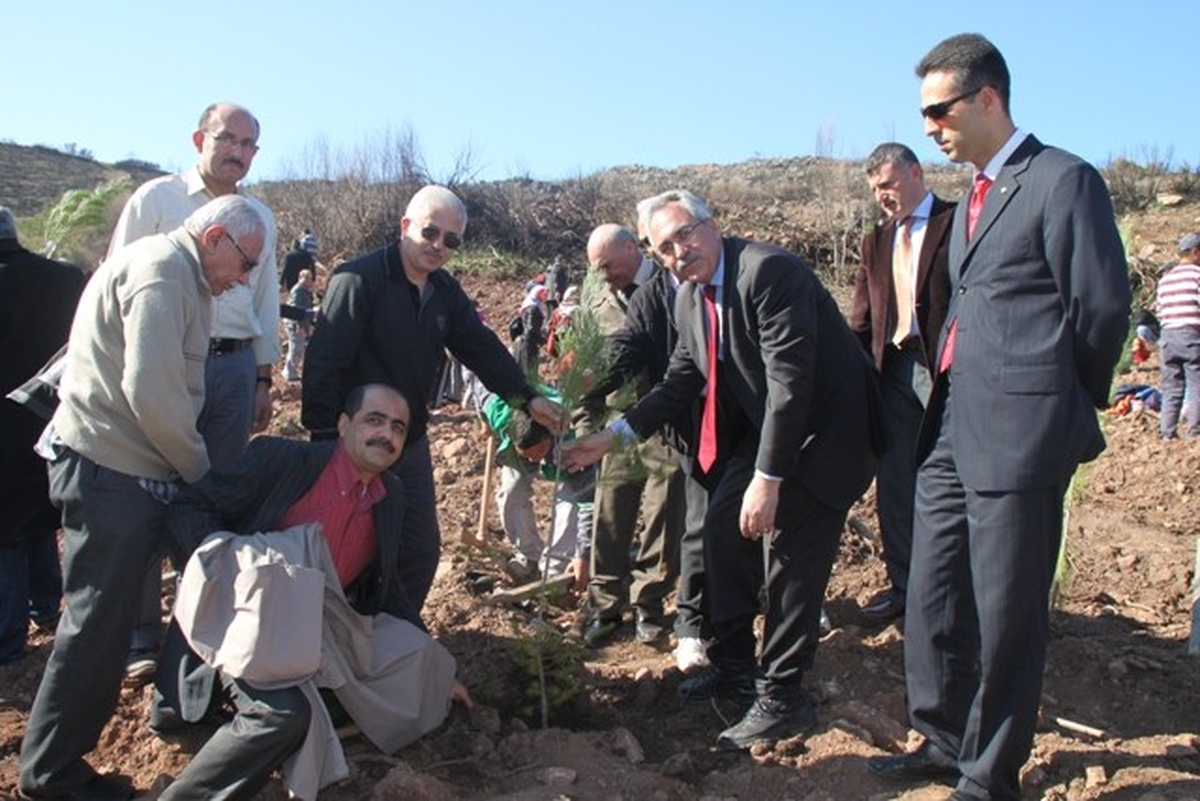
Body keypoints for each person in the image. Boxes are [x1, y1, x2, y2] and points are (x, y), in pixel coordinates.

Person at [867, 34, 1130, 800]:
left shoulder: (1062, 181)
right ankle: (943, 737)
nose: (928, 128)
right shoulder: (973, 200)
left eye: (938, 110)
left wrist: (1064, 407)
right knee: (932, 589)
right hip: (949, 427)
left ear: (987, 98)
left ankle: (990, 772)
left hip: (1021, 431)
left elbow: (1102, 308)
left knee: (1009, 610)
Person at [564, 190, 880, 751]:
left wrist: (770, 478)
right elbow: (681, 380)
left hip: (826, 434)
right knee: (719, 533)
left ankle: (783, 696)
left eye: (686, 234)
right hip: (773, 432)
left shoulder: (768, 271)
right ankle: (736, 666)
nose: (680, 251)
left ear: (712, 225)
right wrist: (611, 437)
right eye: (665, 247)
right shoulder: (689, 298)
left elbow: (790, 383)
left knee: (786, 554)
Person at [17, 196, 266, 801]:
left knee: (106, 619)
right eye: (247, 263)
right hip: (113, 473)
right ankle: (51, 774)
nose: (248, 278)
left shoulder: (181, 275)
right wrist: (203, 473)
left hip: (128, 472)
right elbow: (152, 393)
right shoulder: (162, 272)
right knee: (95, 627)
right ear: (214, 238)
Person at [153, 383, 469, 800]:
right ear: (343, 425)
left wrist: (435, 671)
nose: (386, 434)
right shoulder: (282, 461)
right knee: (285, 716)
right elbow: (189, 506)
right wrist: (233, 567)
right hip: (247, 624)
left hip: (314, 634)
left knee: (404, 679)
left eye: (397, 427)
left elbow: (387, 589)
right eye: (374, 420)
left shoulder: (389, 497)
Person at [302, 184, 564, 612]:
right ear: (405, 226)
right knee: (347, 547)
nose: (439, 246)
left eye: (452, 240)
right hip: (353, 445)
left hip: (411, 439)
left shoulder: (443, 291)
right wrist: (323, 447)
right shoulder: (359, 278)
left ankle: (397, 633)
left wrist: (526, 397)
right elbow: (324, 362)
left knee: (419, 550)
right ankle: (336, 641)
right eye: (430, 233)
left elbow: (480, 347)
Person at [108, 102, 279, 680]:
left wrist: (261, 376)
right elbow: (116, 279)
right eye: (227, 138)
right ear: (199, 138)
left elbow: (264, 300)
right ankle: (138, 637)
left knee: (216, 495)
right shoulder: (156, 201)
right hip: (162, 366)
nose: (236, 150)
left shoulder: (260, 217)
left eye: (248, 144)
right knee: (148, 491)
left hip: (230, 369)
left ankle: (200, 633)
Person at [848, 143, 954, 623]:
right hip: (891, 370)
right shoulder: (876, 240)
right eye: (875, 190)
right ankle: (905, 587)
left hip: (944, 370)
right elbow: (863, 314)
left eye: (888, 184)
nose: (882, 197)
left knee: (955, 473)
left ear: (916, 171)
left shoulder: (958, 223)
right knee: (895, 480)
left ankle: (954, 591)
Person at [579, 224, 685, 648]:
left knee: (664, 515)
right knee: (611, 512)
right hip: (618, 425)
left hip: (666, 421)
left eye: (608, 264)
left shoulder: (672, 286)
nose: (604, 275)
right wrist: (587, 429)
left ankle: (651, 607)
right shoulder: (596, 299)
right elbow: (589, 373)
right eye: (596, 269)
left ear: (631, 248)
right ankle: (605, 608)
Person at [0, 207, 85, 665]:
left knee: (5, 530)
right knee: (38, 514)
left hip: (5, 422)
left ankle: (8, 641)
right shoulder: (65, 278)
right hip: (57, 417)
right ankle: (48, 608)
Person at [481, 388, 593, 584]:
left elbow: (585, 499)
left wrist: (583, 551)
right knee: (510, 492)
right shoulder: (499, 413)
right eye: (530, 454)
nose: (535, 458)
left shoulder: (573, 436)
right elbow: (481, 396)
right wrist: (483, 421)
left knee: (568, 504)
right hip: (519, 448)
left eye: (539, 451)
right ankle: (528, 557)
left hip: (566, 453)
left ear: (549, 437)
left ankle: (556, 571)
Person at [1154, 234, 1200, 439]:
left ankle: (1167, 432)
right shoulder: (1197, 275)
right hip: (1191, 336)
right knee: (1196, 383)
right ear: (1195, 252)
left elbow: (1160, 312)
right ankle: (1194, 431)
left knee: (1171, 387)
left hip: (1167, 338)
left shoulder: (1165, 280)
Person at [283, 269, 316, 381]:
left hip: (302, 323)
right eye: (306, 278)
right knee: (296, 348)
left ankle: (290, 371)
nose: (308, 280)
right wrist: (299, 326)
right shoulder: (298, 291)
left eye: (310, 278)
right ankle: (289, 373)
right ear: (300, 277)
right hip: (296, 324)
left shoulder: (305, 291)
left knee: (299, 348)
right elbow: (295, 309)